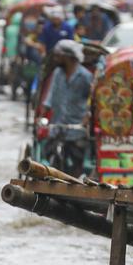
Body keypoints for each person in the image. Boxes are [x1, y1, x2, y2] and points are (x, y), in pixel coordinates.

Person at [41, 39, 92, 177]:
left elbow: (92, 100)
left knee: (77, 165)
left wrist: (88, 116)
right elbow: (50, 96)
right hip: (58, 126)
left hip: (76, 129)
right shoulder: (58, 73)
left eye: (59, 56)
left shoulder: (85, 76)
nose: (56, 59)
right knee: (49, 158)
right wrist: (43, 114)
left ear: (68, 57)